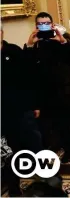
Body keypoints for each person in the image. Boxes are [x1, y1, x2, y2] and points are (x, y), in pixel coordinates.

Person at [24, 12, 70, 163]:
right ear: (36, 26)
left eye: (47, 23)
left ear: (52, 24)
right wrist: (29, 45)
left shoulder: (63, 37)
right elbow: (28, 66)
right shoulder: (36, 44)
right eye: (41, 24)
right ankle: (69, 150)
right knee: (61, 124)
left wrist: (62, 41)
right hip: (51, 93)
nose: (44, 26)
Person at [1, 25, 44, 196]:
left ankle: (47, 179)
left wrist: (35, 105)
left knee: (36, 144)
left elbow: (29, 77)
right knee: (9, 153)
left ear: (1, 32)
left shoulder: (14, 51)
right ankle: (13, 189)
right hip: (3, 116)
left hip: (23, 111)